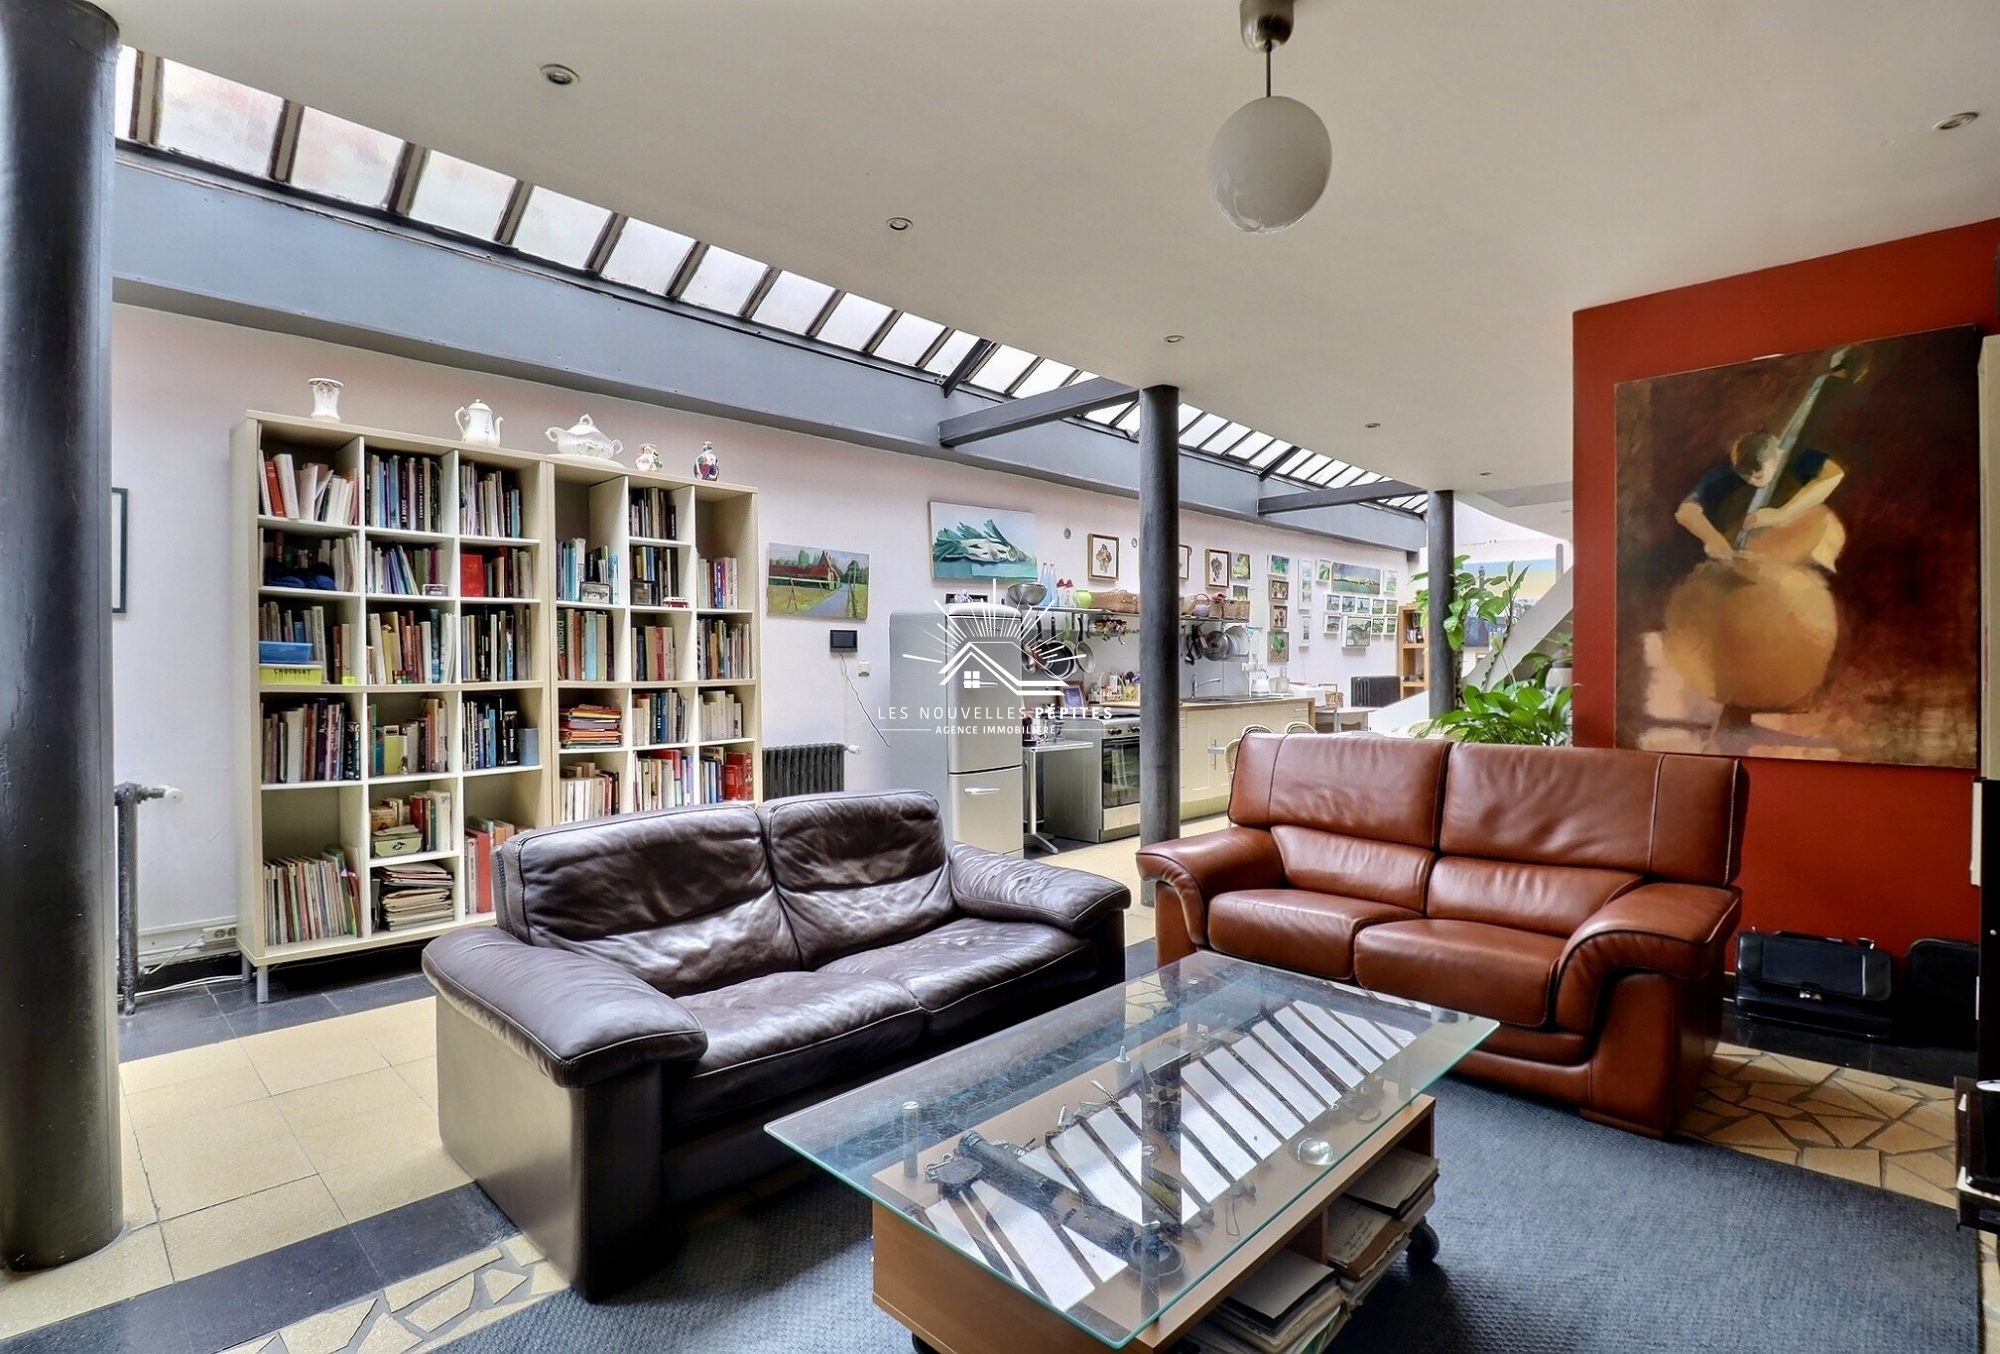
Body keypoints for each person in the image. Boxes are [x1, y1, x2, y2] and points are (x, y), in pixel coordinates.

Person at [1673, 430, 1845, 571]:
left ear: (1775, 460)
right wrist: (1712, 538)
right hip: (1759, 556)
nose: (1751, 482)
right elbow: (1686, 511)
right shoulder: (1730, 472)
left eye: (1758, 477)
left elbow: (1834, 475)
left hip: (1801, 542)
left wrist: (1781, 514)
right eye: (1746, 477)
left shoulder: (1795, 456)